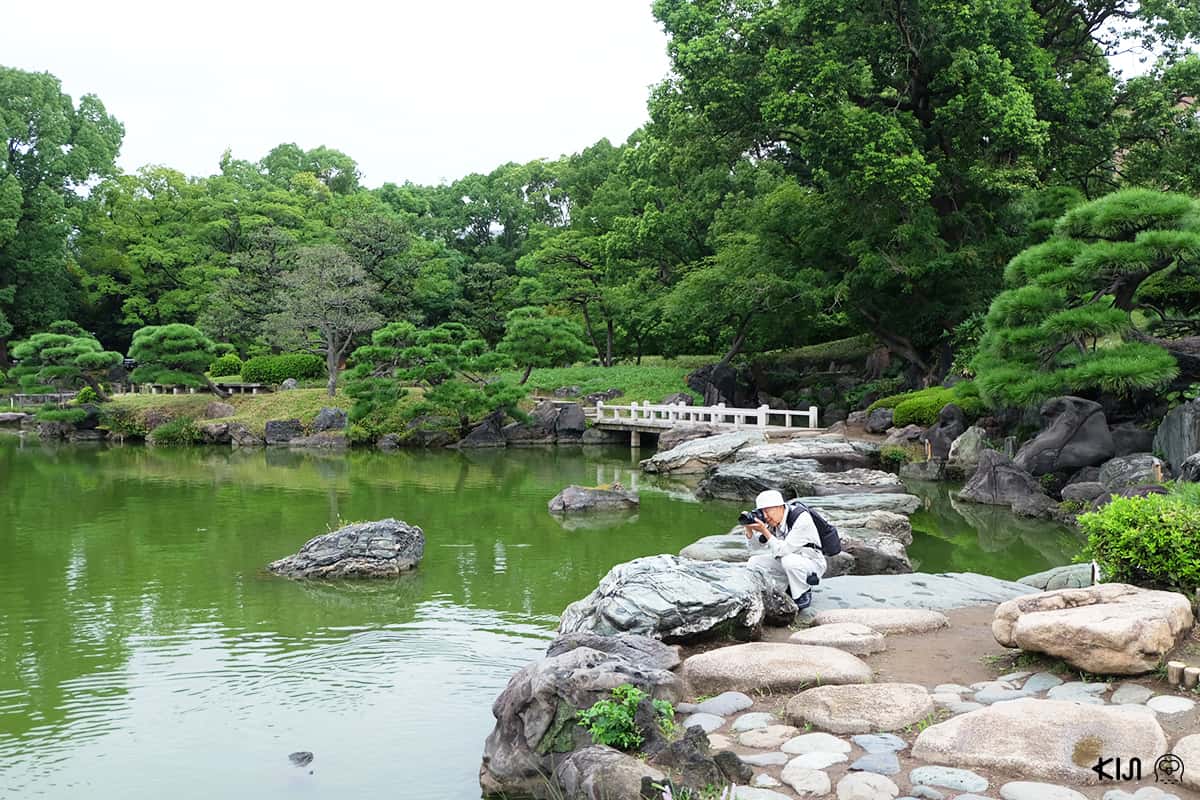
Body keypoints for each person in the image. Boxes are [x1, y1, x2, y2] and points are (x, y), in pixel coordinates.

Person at [743, 489, 827, 610]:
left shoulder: (801, 518)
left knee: (788, 560)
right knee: (754, 562)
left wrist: (765, 531)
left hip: (812, 563)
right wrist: (749, 530)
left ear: (780, 507)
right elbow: (754, 548)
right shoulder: (772, 522)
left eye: (767, 511)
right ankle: (783, 589)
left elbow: (782, 550)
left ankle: (802, 593)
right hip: (788, 560)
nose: (765, 516)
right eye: (762, 512)